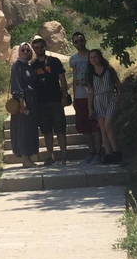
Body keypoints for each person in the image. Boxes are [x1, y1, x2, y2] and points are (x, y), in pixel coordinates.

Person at [30, 35, 69, 166]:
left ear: (45, 47)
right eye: (36, 48)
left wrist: (64, 95)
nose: (39, 49)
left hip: (55, 100)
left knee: (60, 129)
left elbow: (62, 79)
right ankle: (50, 156)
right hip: (41, 102)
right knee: (46, 131)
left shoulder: (54, 61)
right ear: (34, 49)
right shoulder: (33, 65)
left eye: (41, 47)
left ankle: (64, 156)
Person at [69, 31, 103, 164]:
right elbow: (74, 76)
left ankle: (99, 153)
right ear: (73, 43)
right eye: (76, 41)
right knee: (84, 126)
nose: (79, 43)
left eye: (81, 40)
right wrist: (73, 95)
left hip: (93, 94)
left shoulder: (92, 56)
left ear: (85, 41)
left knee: (96, 126)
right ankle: (91, 152)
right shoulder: (73, 59)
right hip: (80, 95)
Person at [87, 49, 122, 164]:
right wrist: (90, 108)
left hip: (110, 97)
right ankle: (108, 153)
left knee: (108, 125)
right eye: (91, 57)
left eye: (95, 57)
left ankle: (116, 151)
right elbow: (90, 92)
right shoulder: (91, 73)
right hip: (98, 100)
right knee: (102, 129)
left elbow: (117, 83)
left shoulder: (108, 70)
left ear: (100, 57)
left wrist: (118, 96)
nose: (93, 59)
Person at [10, 42, 40, 168]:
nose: (26, 52)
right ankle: (24, 158)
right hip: (23, 102)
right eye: (23, 50)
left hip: (32, 100)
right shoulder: (17, 66)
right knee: (23, 129)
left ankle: (29, 156)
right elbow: (16, 84)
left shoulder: (28, 66)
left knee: (30, 129)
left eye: (28, 50)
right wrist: (22, 102)